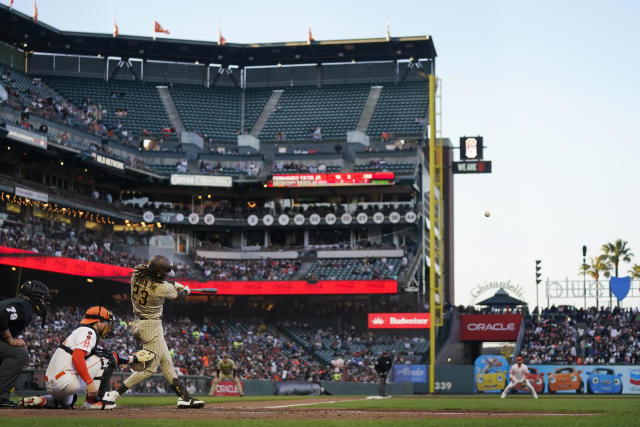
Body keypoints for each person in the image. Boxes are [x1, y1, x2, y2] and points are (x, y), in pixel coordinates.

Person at [103, 255, 205, 409]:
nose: (165, 276)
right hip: (152, 327)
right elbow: (177, 296)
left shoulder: (137, 274)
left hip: (138, 322)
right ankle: (114, 393)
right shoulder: (162, 288)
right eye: (163, 273)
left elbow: (162, 281)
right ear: (158, 274)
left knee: (167, 363)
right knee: (150, 369)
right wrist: (186, 290)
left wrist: (175, 285)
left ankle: (184, 397)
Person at [19, 306, 153, 410]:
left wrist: (132, 359)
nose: (108, 325)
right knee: (106, 358)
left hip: (52, 383)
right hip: (64, 380)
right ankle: (93, 402)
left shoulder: (80, 332)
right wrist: (89, 382)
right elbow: (78, 357)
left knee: (69, 401)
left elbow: (105, 352)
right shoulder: (89, 332)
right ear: (97, 322)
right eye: (106, 322)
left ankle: (42, 400)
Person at [0, 280, 51, 408]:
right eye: (43, 299)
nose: (44, 303)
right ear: (36, 297)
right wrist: (10, 339)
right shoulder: (25, 306)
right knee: (18, 353)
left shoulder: (18, 303)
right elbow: (1, 315)